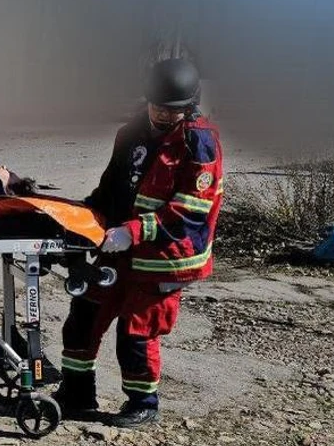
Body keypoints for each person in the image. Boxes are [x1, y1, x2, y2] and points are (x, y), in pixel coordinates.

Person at [54, 58, 223, 428]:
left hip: (164, 257)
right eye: (157, 106)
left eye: (172, 110)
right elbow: (111, 187)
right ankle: (77, 392)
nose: (162, 114)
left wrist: (132, 232)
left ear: (189, 106)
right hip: (119, 247)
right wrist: (84, 220)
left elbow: (189, 211)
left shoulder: (199, 143)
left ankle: (143, 403)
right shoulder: (131, 133)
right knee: (84, 315)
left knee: (137, 331)